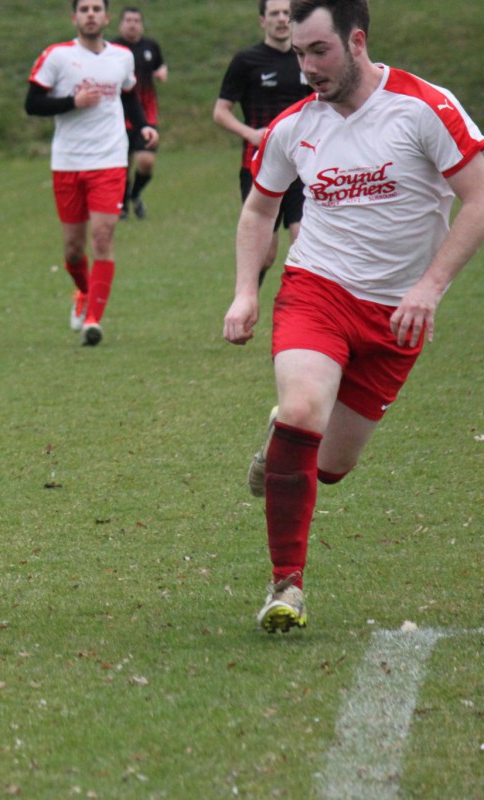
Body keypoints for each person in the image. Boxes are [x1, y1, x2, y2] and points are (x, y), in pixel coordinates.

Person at [223, 0, 484, 634]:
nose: (306, 67)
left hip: (398, 315)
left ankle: (281, 437)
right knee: (305, 412)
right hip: (318, 291)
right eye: (299, 55)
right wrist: (245, 291)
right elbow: (260, 211)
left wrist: (430, 286)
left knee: (330, 466)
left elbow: (479, 197)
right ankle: (287, 584)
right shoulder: (294, 125)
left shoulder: (423, 107)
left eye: (319, 52)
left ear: (356, 40)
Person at [25, 0, 158, 346]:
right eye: (83, 9)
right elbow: (32, 104)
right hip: (68, 162)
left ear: (106, 17)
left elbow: (128, 97)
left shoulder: (121, 58)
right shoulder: (56, 56)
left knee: (102, 238)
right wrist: (72, 102)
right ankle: (83, 294)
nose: (90, 14)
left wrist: (142, 127)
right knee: (72, 250)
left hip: (110, 160)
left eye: (96, 8)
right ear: (74, 17)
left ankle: (94, 320)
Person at [214, 0, 311, 286]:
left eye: (286, 14)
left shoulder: (306, 57)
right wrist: (251, 134)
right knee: (266, 253)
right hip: (259, 166)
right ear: (262, 21)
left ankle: (305, 316)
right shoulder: (247, 61)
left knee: (303, 243)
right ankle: (246, 302)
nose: (281, 19)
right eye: (274, 14)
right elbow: (220, 112)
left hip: (304, 165)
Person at [109, 6, 167, 221]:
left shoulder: (150, 46)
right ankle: (122, 202)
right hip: (118, 116)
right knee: (122, 163)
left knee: (146, 162)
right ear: (120, 24)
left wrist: (161, 73)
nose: (132, 24)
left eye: (136, 20)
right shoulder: (112, 48)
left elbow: (161, 67)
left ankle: (134, 194)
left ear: (141, 25)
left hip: (147, 115)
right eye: (128, 20)